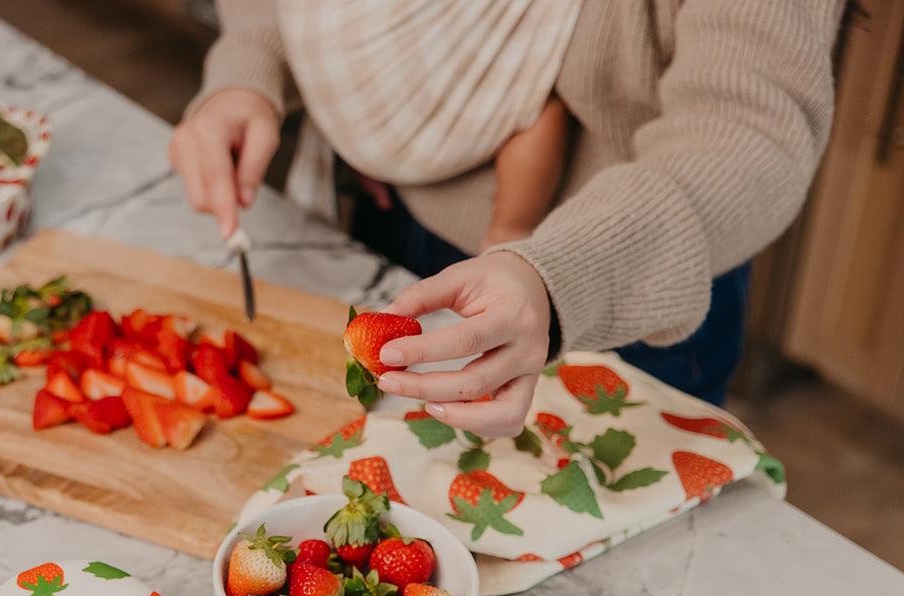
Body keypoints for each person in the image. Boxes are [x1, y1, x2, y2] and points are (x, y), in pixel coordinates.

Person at [169, 0, 847, 436]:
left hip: (618, 278)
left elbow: (747, 134)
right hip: (392, 224)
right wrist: (247, 69)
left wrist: (557, 280)